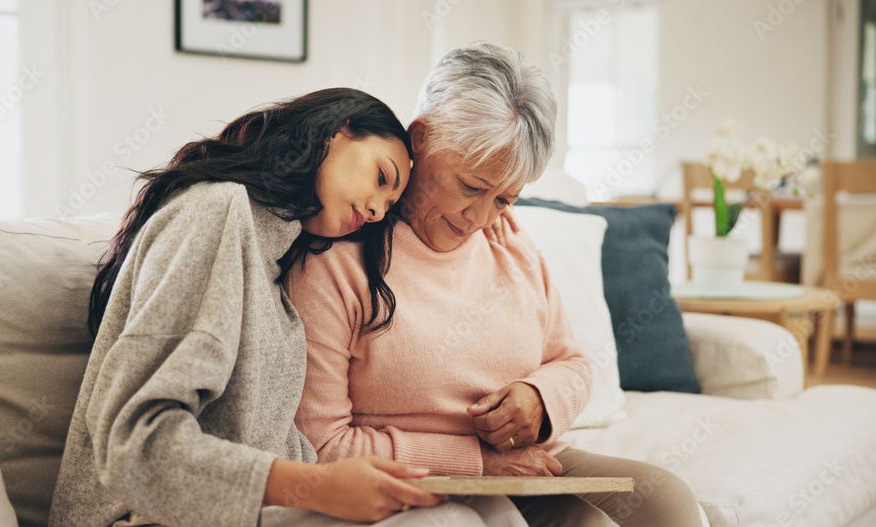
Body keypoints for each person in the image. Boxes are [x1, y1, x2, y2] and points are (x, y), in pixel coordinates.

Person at [49, 87, 525, 527]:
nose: (379, 210)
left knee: (493, 511)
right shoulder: (218, 212)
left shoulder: (275, 261)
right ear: (332, 135)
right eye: (382, 177)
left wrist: (481, 213)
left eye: (389, 202)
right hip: (146, 516)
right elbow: (132, 445)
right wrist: (315, 486)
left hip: (253, 514)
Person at [285, 43, 706, 527]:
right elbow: (321, 445)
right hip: (406, 473)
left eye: (505, 198)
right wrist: (474, 462)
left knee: (665, 501)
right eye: (471, 187)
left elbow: (570, 361)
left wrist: (539, 398)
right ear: (420, 138)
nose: (480, 218)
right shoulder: (337, 253)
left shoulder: (508, 238)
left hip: (521, 464)